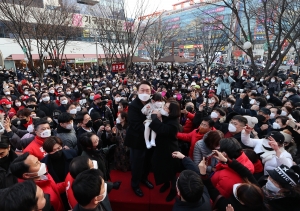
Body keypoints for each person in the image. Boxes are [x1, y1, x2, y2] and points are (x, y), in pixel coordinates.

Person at [124, 80, 154, 197]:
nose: (145, 92)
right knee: (137, 163)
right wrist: (154, 126)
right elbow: (136, 125)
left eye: (147, 90)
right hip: (137, 139)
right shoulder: (133, 106)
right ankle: (135, 184)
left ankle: (144, 178)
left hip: (150, 140)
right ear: (137, 91)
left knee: (147, 162)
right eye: (142, 90)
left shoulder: (153, 103)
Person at [149, 100, 181, 201]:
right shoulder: (167, 117)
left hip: (169, 149)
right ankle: (165, 183)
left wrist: (154, 117)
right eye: (164, 106)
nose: (164, 108)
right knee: (160, 167)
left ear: (172, 111)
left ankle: (173, 190)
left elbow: (161, 129)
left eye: (166, 107)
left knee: (171, 171)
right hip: (161, 147)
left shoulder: (174, 123)